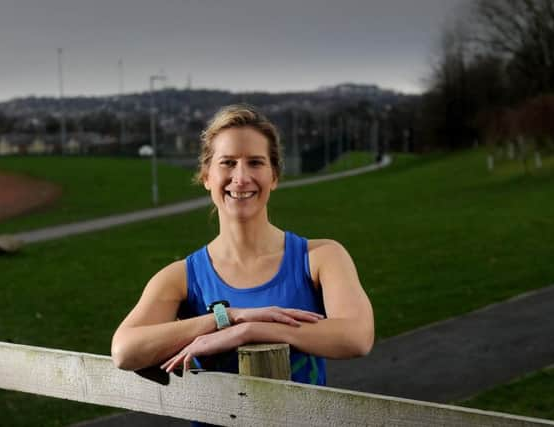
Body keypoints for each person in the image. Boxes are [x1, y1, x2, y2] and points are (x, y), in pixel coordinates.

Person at [111, 104, 374, 389]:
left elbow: (357, 337)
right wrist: (226, 318)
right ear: (206, 176)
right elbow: (125, 351)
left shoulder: (320, 257)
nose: (241, 177)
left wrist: (249, 330)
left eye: (255, 162)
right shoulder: (183, 278)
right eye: (227, 162)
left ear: (274, 176)